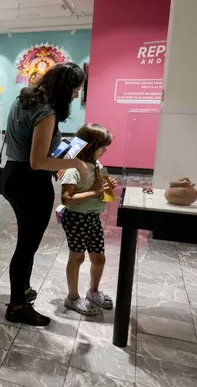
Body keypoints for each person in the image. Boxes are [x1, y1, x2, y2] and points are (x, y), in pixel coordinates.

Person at [0, 62, 89, 326]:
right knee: (26, 247)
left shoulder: (24, 98)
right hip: (31, 183)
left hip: (12, 176)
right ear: (63, 88)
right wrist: (75, 162)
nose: (75, 96)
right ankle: (17, 307)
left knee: (26, 243)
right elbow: (38, 161)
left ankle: (23, 291)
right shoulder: (46, 111)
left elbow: (28, 146)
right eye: (74, 91)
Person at [60, 123, 117, 315]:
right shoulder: (73, 168)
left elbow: (105, 196)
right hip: (77, 217)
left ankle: (93, 291)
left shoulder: (98, 166)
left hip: (93, 217)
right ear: (92, 146)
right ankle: (72, 298)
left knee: (99, 258)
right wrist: (94, 192)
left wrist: (108, 188)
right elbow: (66, 199)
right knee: (77, 257)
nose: (106, 150)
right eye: (102, 146)